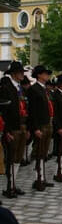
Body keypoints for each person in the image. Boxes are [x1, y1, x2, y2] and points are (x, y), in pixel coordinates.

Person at [0, 61, 29, 198]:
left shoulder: (19, 88)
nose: (22, 74)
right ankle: (8, 187)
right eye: (20, 72)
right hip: (12, 127)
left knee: (18, 157)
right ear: (14, 74)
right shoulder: (6, 88)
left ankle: (13, 184)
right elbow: (4, 111)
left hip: (22, 125)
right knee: (11, 158)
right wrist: (6, 131)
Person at [27, 65, 55, 191]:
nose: (47, 75)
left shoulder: (44, 89)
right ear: (38, 75)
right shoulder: (34, 89)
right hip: (40, 125)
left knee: (44, 153)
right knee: (38, 152)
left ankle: (42, 178)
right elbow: (32, 111)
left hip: (47, 123)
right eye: (45, 73)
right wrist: (36, 128)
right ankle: (36, 178)